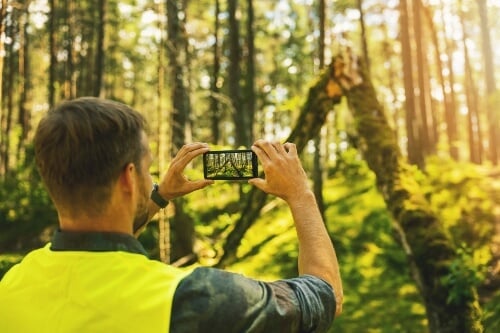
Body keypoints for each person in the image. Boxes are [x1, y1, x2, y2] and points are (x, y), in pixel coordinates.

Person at [0, 97, 343, 333]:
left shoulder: (13, 285)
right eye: (148, 171)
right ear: (128, 179)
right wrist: (301, 196)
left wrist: (159, 196)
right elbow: (325, 296)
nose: (152, 179)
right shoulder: (190, 296)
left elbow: (97, 240)